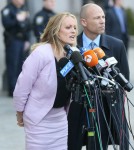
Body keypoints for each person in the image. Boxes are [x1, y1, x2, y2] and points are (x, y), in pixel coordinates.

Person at [68, 3, 130, 150]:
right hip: (81, 108)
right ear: (84, 22)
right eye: (97, 18)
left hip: (109, 107)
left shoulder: (117, 45)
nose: (102, 21)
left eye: (103, 17)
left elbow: (124, 78)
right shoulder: (71, 47)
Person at [13, 12, 78, 150]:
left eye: (74, 27)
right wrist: (20, 113)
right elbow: (22, 86)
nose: (73, 30)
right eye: (68, 27)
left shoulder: (73, 54)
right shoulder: (41, 53)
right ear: (55, 31)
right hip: (39, 120)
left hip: (60, 119)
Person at [1, 0, 31, 97]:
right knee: (12, 66)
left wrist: (27, 40)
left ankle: (20, 89)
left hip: (22, 41)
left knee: (21, 66)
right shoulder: (7, 10)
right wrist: (17, 19)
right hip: (13, 41)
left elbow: (27, 26)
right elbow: (6, 24)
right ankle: (12, 90)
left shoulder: (23, 9)